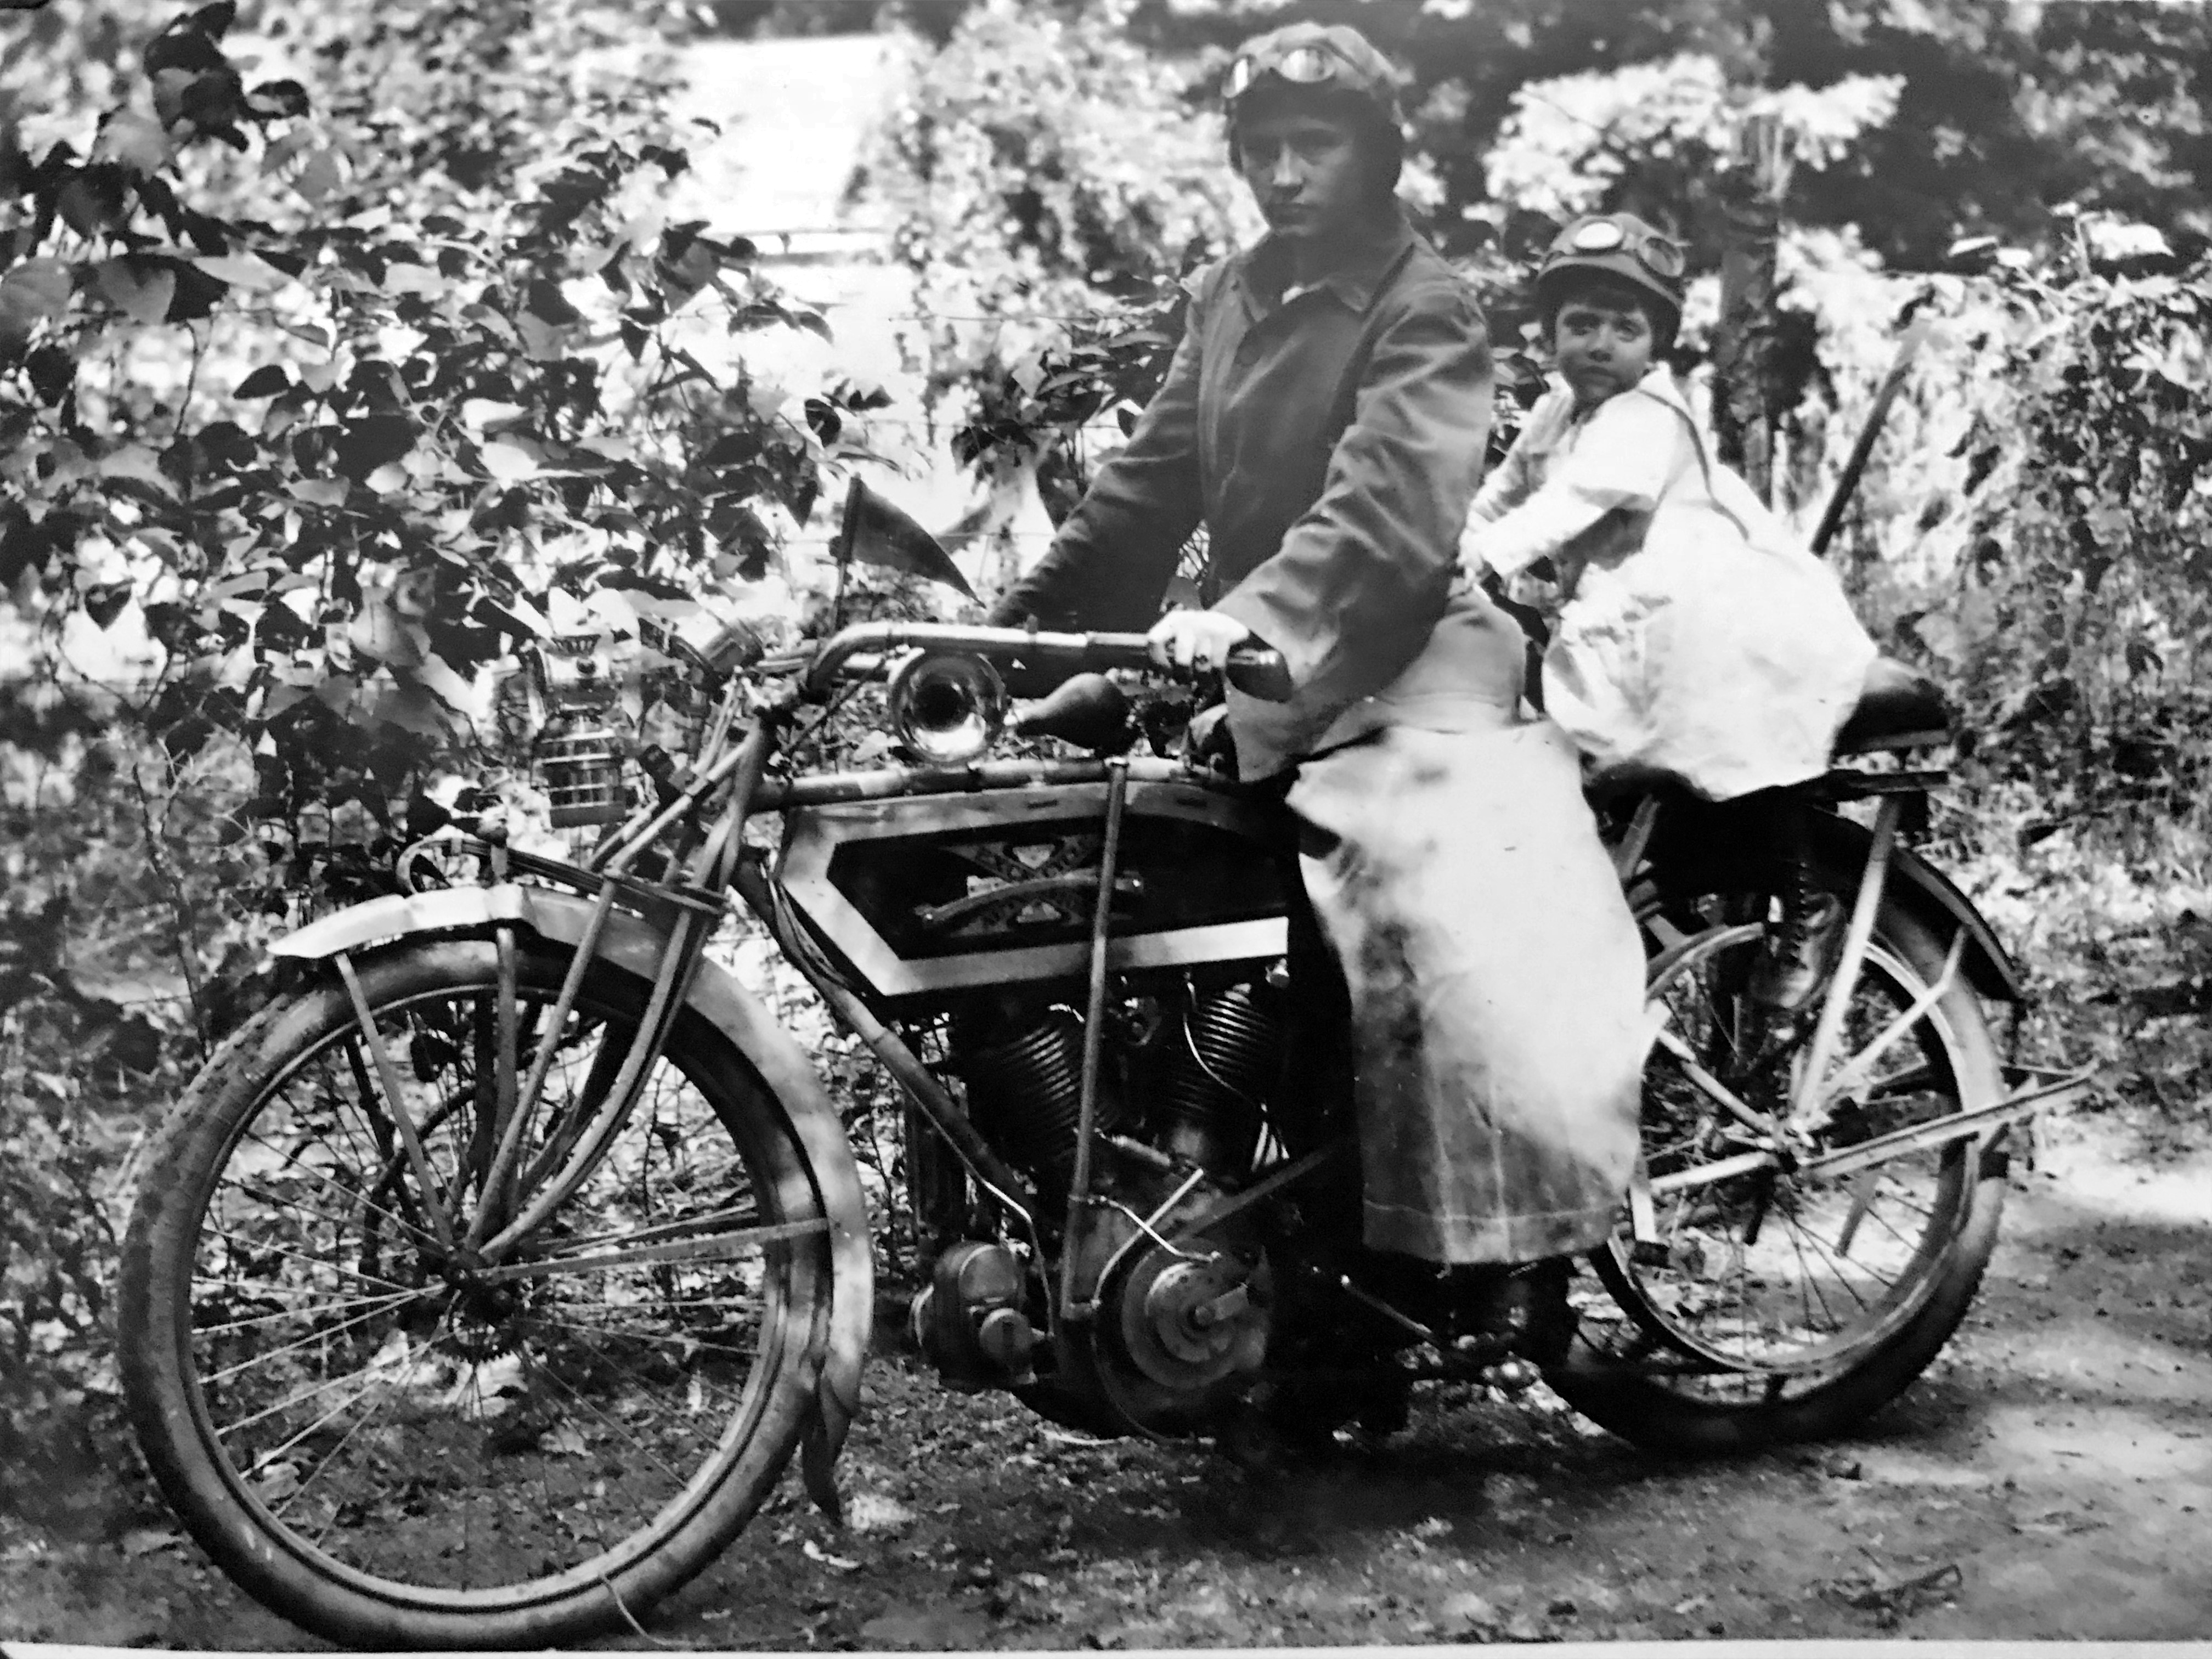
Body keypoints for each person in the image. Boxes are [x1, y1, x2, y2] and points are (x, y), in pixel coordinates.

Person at [988, 24, 1651, 1296]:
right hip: (1262, 655)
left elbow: (1388, 512)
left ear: (1376, 153)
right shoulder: (1228, 295)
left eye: (1316, 145)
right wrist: (1006, 644)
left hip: (1405, 653)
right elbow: (1138, 498)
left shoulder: (1427, 307)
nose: (1285, 174)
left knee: (1410, 917)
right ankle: (1205, 1197)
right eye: (1263, 149)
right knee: (1129, 860)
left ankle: (1466, 1259)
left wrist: (1253, 619)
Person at [1458, 213, 1880, 1008]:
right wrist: (1451, 549)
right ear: (1549, 335)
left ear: (1656, 348)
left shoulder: (1645, 415)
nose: (1600, 345)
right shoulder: (1555, 412)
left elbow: (1574, 502)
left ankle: (1806, 903)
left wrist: (1492, 555)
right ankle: (1642, 897)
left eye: (1626, 328)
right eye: (1580, 325)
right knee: (1580, 750)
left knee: (1743, 735)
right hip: (1636, 616)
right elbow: (1504, 495)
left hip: (1714, 608)